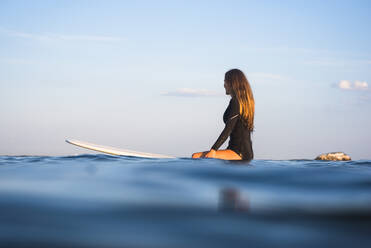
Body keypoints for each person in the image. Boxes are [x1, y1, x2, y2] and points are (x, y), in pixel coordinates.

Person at [192, 69, 254, 161]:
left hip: (238, 152)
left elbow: (228, 129)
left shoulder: (236, 102)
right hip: (242, 151)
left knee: (196, 156)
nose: (224, 85)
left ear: (232, 83)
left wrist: (213, 150)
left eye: (225, 81)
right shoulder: (243, 103)